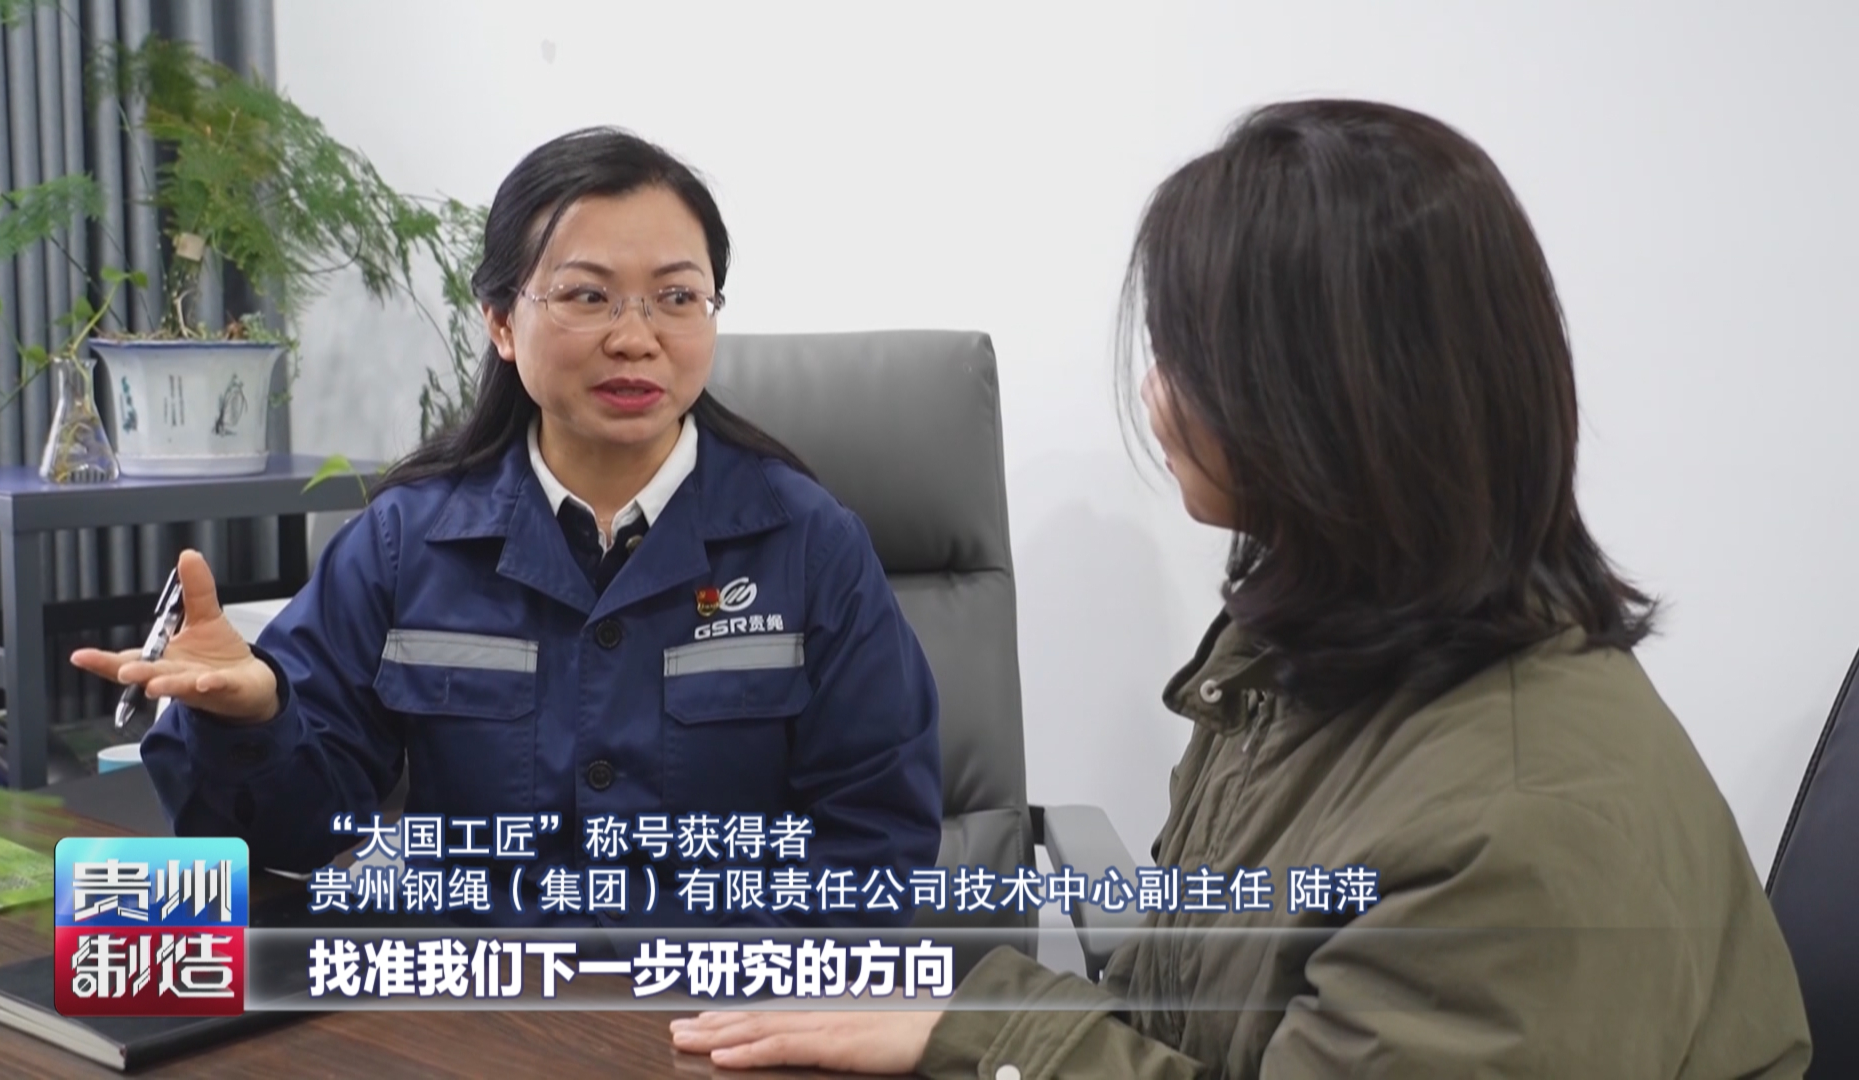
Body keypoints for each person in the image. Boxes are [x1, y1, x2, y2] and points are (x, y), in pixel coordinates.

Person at [669, 100, 1813, 1076]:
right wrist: (962, 1010)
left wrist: (976, 1024)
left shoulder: (1507, 837)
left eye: (1187, 353)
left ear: (1321, 401)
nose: (1154, 394)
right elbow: (1196, 1018)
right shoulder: (1316, 656)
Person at [71, 128, 943, 935]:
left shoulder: (809, 544)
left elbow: (876, 845)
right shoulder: (407, 542)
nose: (635, 338)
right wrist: (252, 717)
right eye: (588, 296)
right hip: (479, 1006)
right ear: (500, 322)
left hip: (722, 1008)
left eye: (677, 297)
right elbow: (290, 838)